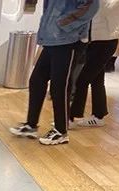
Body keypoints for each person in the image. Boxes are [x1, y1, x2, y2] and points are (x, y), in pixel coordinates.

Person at [10, 0, 99, 145]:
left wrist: (64, 23)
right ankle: (31, 125)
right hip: (52, 38)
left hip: (68, 40)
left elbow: (91, 6)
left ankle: (61, 131)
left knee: (60, 86)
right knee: (37, 80)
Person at [70, 0, 119, 128]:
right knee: (97, 80)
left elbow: (106, 9)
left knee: (82, 80)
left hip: (107, 41)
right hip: (93, 40)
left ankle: (71, 117)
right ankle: (98, 116)